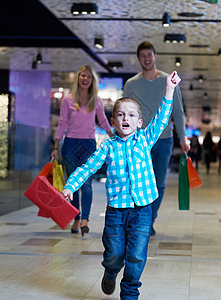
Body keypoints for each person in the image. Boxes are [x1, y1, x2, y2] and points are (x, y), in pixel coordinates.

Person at [62, 71, 182, 300]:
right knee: (115, 254)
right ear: (114, 120)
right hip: (117, 211)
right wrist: (71, 185)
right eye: (120, 115)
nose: (125, 119)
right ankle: (110, 271)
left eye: (131, 115)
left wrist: (169, 89)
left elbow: (163, 116)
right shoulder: (107, 147)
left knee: (136, 256)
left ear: (140, 122)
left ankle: (129, 294)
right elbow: (88, 168)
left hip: (142, 211)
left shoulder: (146, 139)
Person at [123, 41, 189, 235]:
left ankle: (149, 219)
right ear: (138, 59)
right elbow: (124, 111)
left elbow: (178, 111)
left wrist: (183, 138)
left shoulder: (168, 81)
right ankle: (139, 219)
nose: (146, 59)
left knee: (158, 183)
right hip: (139, 142)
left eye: (149, 55)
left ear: (155, 56)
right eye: (143, 55)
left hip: (164, 139)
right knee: (136, 181)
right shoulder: (131, 84)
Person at [51, 65, 113, 236]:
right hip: (70, 145)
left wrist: (115, 138)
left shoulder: (97, 101)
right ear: (78, 78)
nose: (85, 79)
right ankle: (76, 217)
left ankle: (85, 218)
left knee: (86, 183)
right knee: (73, 184)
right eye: (82, 75)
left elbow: (103, 121)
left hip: (88, 145)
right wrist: (55, 146)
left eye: (88, 76)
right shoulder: (68, 100)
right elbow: (62, 123)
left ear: (92, 80)